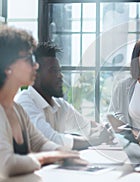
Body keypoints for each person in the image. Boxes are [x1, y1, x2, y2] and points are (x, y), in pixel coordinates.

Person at [0, 25, 80, 177]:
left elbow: (40, 143)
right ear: (7, 66)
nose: (36, 66)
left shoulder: (17, 109)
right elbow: (5, 165)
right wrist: (48, 157)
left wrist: (63, 153)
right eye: (29, 59)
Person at [15, 42, 114, 150]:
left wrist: (104, 131)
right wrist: (92, 141)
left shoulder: (59, 105)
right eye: (53, 70)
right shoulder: (24, 103)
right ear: (35, 75)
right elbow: (49, 139)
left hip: (53, 165)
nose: (60, 75)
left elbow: (86, 126)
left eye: (59, 70)